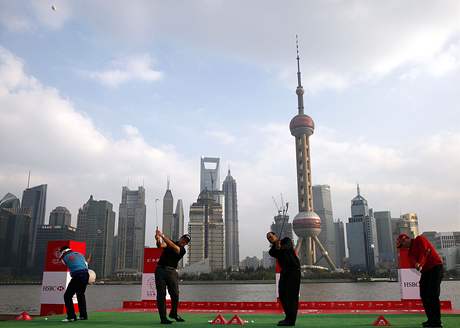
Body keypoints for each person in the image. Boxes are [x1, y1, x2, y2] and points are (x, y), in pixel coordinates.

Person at [396, 233, 444, 328]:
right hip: (426, 271)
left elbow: (425, 251)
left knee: (433, 294)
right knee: (424, 294)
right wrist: (417, 265)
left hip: (436, 267)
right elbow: (413, 262)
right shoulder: (410, 253)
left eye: (402, 244)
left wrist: (420, 264)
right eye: (401, 246)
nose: (402, 247)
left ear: (406, 239)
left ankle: (437, 322)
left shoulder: (420, 239)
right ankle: (431, 320)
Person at [155, 228, 191, 324]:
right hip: (160, 270)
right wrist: (158, 239)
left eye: (186, 242)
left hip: (171, 272)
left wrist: (162, 235)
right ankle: (163, 318)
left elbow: (174, 247)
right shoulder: (170, 242)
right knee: (161, 295)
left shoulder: (182, 250)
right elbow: (160, 246)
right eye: (184, 239)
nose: (184, 242)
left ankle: (173, 313)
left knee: (175, 294)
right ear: (181, 238)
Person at [267, 231, 301, 327]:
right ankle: (288, 317)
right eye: (268, 238)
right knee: (282, 294)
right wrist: (277, 246)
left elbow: (288, 246)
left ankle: (291, 321)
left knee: (292, 296)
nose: (270, 238)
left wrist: (280, 246)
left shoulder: (286, 240)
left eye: (271, 236)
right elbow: (276, 252)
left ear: (275, 235)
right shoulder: (272, 251)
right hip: (285, 272)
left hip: (294, 270)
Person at [59, 246, 89, 322]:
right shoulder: (79, 254)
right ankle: (83, 315)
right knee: (80, 294)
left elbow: (64, 262)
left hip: (77, 275)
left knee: (67, 296)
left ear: (63, 251)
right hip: (86, 274)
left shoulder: (64, 256)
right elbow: (85, 264)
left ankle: (71, 316)